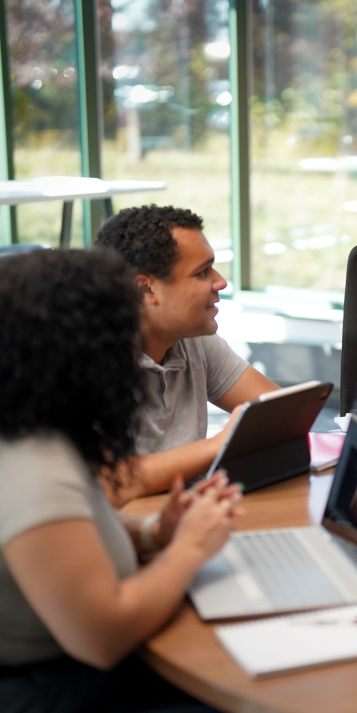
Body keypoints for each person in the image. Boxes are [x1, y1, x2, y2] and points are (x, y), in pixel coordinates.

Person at [0, 250, 241, 713]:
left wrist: (151, 534)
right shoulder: (26, 466)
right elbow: (103, 637)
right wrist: (190, 549)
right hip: (21, 690)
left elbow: (60, 533)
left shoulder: (11, 419)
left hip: (43, 666)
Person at [95, 205, 279, 501]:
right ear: (147, 290)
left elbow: (279, 415)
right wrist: (221, 443)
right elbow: (110, 482)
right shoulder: (84, 359)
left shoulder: (193, 339)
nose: (220, 282)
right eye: (202, 272)